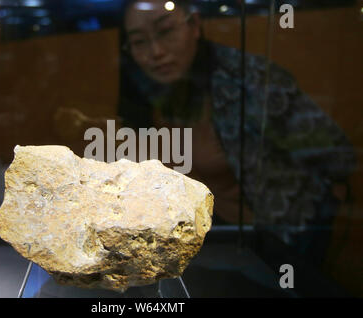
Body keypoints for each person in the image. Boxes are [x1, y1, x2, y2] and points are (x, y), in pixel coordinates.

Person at [117, 0, 356, 264]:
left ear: (195, 25)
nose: (156, 52)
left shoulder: (249, 79)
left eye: (165, 31)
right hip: (224, 233)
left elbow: (338, 156)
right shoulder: (153, 88)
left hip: (285, 236)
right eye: (139, 41)